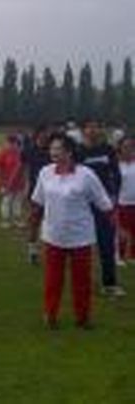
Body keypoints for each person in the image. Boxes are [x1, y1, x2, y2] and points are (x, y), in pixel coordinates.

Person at [30, 133, 114, 330]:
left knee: (82, 280)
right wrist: (33, 227)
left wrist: (113, 224)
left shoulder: (86, 175)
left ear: (69, 151)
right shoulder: (45, 172)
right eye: (52, 149)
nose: (53, 152)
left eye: (58, 149)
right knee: (53, 279)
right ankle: (50, 315)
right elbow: (37, 202)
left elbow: (104, 203)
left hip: (81, 237)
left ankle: (83, 317)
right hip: (53, 235)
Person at [77, 119, 126, 297]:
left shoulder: (108, 150)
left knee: (106, 244)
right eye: (89, 126)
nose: (93, 129)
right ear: (83, 130)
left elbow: (116, 174)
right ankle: (82, 283)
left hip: (104, 206)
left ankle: (109, 283)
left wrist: (114, 196)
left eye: (96, 126)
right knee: (81, 246)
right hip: (83, 206)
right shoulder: (78, 152)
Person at [0, 134, 26, 229]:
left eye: (14, 144)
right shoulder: (2, 154)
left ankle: (17, 219)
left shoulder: (20, 154)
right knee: (7, 201)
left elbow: (23, 169)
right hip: (6, 182)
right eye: (9, 143)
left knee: (17, 202)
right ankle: (6, 220)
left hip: (19, 183)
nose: (11, 146)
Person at [117, 136, 135, 264]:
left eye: (131, 146)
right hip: (122, 202)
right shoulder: (117, 165)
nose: (128, 149)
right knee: (122, 232)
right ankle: (120, 256)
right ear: (121, 149)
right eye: (125, 147)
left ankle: (133, 256)